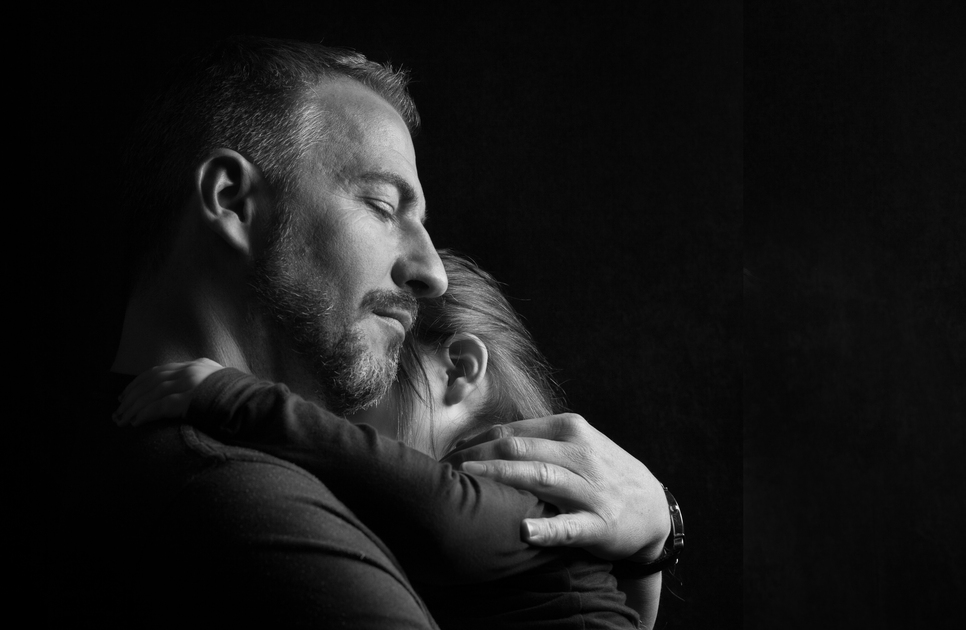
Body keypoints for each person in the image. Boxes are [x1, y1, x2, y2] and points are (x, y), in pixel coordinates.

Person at [72, 36, 675, 628]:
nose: (433, 272)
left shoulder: (121, 460)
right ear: (232, 201)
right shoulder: (247, 508)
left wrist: (653, 537)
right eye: (384, 207)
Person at [115, 251, 662, 629]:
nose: (339, 413)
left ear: (459, 369)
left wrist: (237, 398)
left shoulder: (523, 484)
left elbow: (442, 515)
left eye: (378, 379)